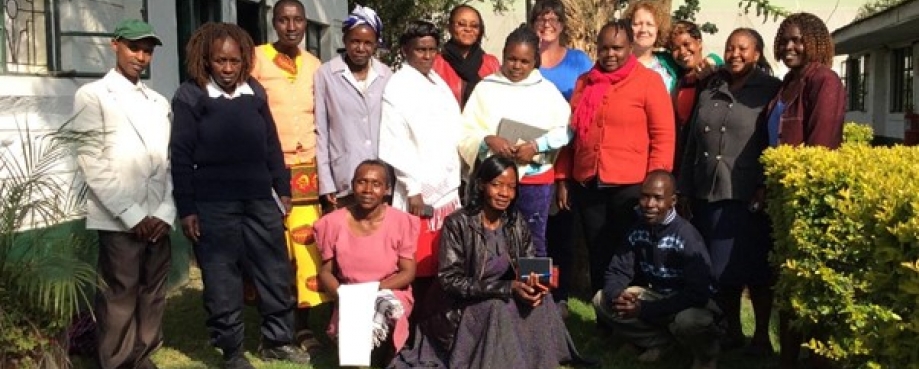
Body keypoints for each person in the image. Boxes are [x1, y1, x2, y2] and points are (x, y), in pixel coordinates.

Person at [170, 22, 308, 369]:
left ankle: (277, 340)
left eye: (234, 61)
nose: (228, 69)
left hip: (260, 199)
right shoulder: (190, 96)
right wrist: (187, 208)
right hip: (213, 204)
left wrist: (283, 190)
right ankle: (232, 352)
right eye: (220, 62)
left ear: (244, 60)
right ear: (206, 60)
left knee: (274, 272)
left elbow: (272, 146)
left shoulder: (255, 92)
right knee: (222, 278)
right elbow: (181, 156)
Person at [390, 155, 584, 369]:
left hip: (505, 292)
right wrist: (507, 287)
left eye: (511, 187)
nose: (504, 193)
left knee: (542, 300)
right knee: (497, 308)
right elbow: (450, 281)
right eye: (497, 185)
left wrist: (534, 285)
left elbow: (528, 263)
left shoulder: (514, 221)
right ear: (481, 185)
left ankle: (541, 360)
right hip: (461, 304)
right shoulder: (458, 223)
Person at [72, 19, 172, 369]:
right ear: (115, 45)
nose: (141, 56)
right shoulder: (93, 95)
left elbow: (168, 160)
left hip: (157, 218)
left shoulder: (158, 101)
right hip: (119, 218)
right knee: (119, 295)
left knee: (152, 293)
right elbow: (92, 162)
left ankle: (142, 356)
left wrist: (164, 211)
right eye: (134, 48)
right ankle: (115, 361)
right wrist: (132, 215)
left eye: (147, 50)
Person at [678, 27, 781, 356]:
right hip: (709, 192)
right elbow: (693, 140)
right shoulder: (712, 85)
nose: (736, 54)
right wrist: (684, 188)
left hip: (748, 195)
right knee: (721, 273)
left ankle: (762, 337)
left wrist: (766, 184)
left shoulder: (769, 90)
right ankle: (733, 331)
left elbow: (776, 141)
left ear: (757, 53)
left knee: (756, 272)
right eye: (731, 47)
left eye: (744, 48)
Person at [555, 19, 675, 297]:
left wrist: (657, 185)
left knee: (630, 251)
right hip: (589, 182)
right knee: (598, 249)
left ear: (630, 47)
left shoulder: (648, 81)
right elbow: (571, 133)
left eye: (617, 48)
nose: (610, 54)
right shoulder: (585, 82)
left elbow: (663, 135)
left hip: (632, 184)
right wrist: (563, 177)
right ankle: (604, 313)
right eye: (604, 48)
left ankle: (633, 312)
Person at [765, 12, 846, 369]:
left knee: (804, 283)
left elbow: (821, 146)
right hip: (779, 195)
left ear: (815, 42)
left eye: (797, 40)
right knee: (786, 282)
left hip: (805, 197)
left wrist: (805, 192)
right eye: (784, 40)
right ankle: (787, 357)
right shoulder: (787, 83)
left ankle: (813, 358)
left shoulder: (823, 81)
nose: (789, 46)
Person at [250, 0, 326, 354]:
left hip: (309, 171)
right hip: (269, 168)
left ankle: (301, 325)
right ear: (274, 22)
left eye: (298, 20)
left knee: (306, 249)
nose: (291, 26)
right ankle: (272, 325)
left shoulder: (315, 66)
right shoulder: (255, 58)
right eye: (284, 20)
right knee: (271, 250)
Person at [458, 26, 571, 259]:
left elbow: (567, 129)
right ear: (503, 54)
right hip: (495, 179)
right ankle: (494, 291)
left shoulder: (546, 91)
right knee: (491, 238)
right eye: (511, 59)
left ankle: (535, 293)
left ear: (535, 61)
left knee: (533, 239)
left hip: (534, 178)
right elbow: (465, 130)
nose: (517, 66)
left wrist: (537, 146)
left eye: (524, 61)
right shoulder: (486, 88)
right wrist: (487, 140)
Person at [378, 20, 464, 322]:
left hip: (446, 189)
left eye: (431, 49)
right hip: (418, 192)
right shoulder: (398, 86)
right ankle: (415, 324)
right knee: (418, 264)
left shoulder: (437, 82)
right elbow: (393, 141)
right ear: (405, 50)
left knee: (445, 258)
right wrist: (412, 187)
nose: (426, 56)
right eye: (420, 50)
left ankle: (441, 319)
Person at [592, 170, 720, 369]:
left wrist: (646, 310)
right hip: (658, 297)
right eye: (644, 196)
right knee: (602, 299)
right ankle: (660, 342)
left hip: (690, 305)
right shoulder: (637, 229)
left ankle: (706, 355)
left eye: (658, 198)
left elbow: (698, 293)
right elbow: (616, 271)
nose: (649, 204)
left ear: (672, 201)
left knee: (689, 321)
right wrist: (618, 295)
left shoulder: (687, 236)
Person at [315, 160, 418, 364]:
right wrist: (343, 296)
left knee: (383, 310)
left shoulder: (401, 222)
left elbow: (408, 272)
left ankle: (384, 352)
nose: (368, 190)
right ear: (353, 185)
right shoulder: (333, 222)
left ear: (387, 189)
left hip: (389, 291)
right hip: (349, 293)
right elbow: (326, 272)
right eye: (361, 182)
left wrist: (371, 292)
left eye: (376, 184)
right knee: (356, 354)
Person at [528, 0, 594, 317]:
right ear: (532, 22)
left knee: (560, 233)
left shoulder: (579, 61)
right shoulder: (523, 56)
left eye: (554, 18)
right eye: (542, 17)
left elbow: (585, 111)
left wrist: (564, 174)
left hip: (564, 159)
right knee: (530, 232)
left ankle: (561, 297)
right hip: (525, 161)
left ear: (563, 24)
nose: (548, 23)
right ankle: (533, 294)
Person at [315, 5, 392, 212]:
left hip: (380, 176)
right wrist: (326, 182)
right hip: (344, 176)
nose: (360, 48)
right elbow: (321, 132)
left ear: (376, 44)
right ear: (345, 40)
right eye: (355, 41)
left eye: (368, 43)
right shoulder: (326, 74)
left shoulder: (386, 75)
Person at [667, 20, 723, 173]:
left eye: (687, 44)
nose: (683, 52)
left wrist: (715, 61)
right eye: (676, 48)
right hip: (682, 160)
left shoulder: (714, 75)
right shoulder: (677, 81)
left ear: (699, 43)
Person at [432, 5, 501, 109]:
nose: (468, 29)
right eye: (461, 24)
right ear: (449, 27)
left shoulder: (491, 63)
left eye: (474, 26)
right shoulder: (435, 63)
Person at [530, 0, 593, 100]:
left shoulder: (579, 60)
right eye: (541, 20)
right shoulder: (525, 61)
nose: (546, 25)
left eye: (553, 20)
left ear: (562, 25)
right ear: (533, 25)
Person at [624, 0, 679, 92]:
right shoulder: (617, 62)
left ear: (659, 29)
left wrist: (712, 58)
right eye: (637, 24)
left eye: (649, 24)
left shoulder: (669, 63)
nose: (643, 29)